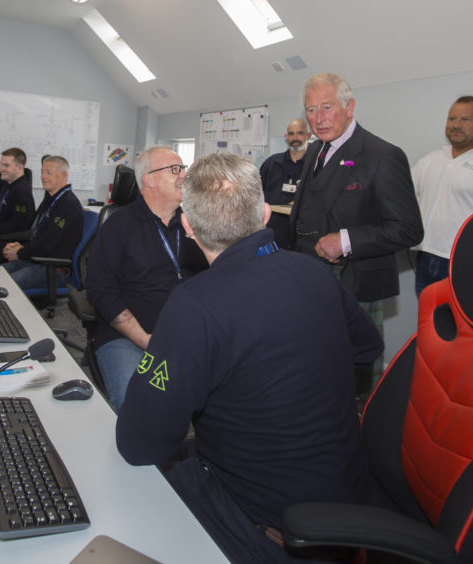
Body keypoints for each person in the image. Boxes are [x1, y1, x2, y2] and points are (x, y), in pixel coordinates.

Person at [116, 153, 383, 563]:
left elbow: (139, 443)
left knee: (126, 502)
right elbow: (367, 348)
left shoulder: (194, 305)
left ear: (187, 226)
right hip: (348, 501)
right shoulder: (315, 273)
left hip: (266, 528)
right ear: (263, 214)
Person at [289, 73, 423, 396]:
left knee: (357, 380)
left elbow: (408, 228)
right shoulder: (313, 152)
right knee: (318, 371)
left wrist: (346, 240)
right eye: (310, 110)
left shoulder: (382, 155)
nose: (317, 119)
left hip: (355, 285)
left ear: (349, 107)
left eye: (326, 108)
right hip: (311, 283)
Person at [86, 146, 207, 411]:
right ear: (149, 179)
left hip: (186, 335)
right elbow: (100, 291)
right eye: (174, 169)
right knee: (136, 405)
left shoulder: (194, 226)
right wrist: (145, 340)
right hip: (130, 338)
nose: (183, 176)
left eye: (184, 168)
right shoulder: (118, 226)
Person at [411, 95, 473, 296]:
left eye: (465, 119)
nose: (456, 125)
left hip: (464, 262)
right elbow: (400, 194)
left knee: (463, 325)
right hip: (425, 256)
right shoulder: (432, 159)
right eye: (452, 118)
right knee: (429, 323)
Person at [1, 156, 83, 290]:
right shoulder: (51, 200)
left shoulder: (68, 205)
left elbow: (48, 245)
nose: (43, 176)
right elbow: (40, 236)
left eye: (48, 172)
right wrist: (20, 247)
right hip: (36, 261)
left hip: (54, 270)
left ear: (64, 175)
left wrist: (20, 252)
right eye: (42, 172)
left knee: (3, 286)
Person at [0, 147, 36, 264]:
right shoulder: (8, 184)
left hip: (7, 242)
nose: (1, 169)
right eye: (1, 164)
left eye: (6, 165)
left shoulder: (22, 191)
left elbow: (19, 226)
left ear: (19, 168)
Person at [259, 118, 309, 247]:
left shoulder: (315, 166)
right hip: (271, 235)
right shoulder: (271, 163)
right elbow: (256, 195)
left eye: (300, 133)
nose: (295, 137)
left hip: (302, 237)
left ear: (308, 136)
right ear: (286, 137)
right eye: (291, 134)